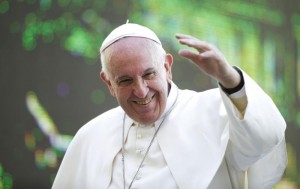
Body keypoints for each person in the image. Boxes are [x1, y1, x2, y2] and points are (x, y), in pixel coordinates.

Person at [52, 22, 287, 189]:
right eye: (125, 80)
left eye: (149, 73)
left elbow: (266, 138)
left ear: (166, 67)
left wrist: (229, 79)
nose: (141, 90)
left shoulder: (215, 111)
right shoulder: (91, 136)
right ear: (109, 83)